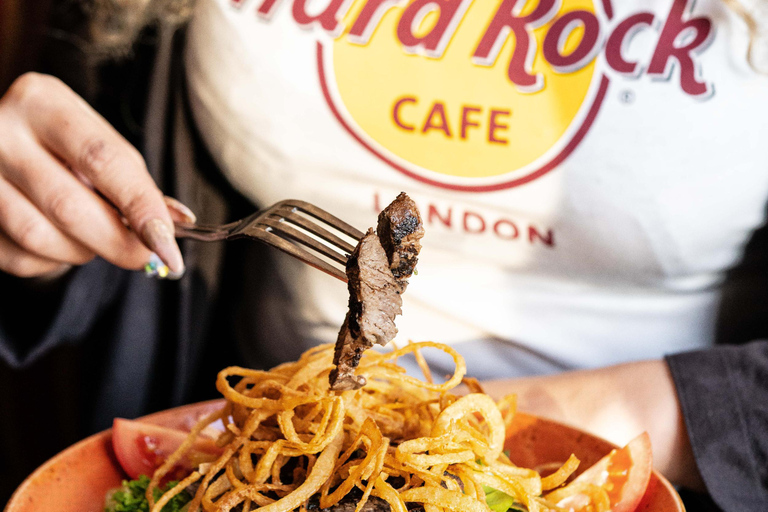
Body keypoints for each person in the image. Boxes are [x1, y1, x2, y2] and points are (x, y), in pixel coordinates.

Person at [0, 0, 766, 509]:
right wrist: (40, 224)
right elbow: (109, 179)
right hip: (244, 446)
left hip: (640, 464)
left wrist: (486, 443)